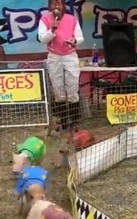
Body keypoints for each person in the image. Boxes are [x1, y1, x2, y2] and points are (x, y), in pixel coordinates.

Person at [37, 0, 84, 131]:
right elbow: (42, 39)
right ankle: (63, 121)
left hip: (70, 56)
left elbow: (80, 37)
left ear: (63, 6)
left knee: (72, 87)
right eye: (53, 3)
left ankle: (75, 121)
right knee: (58, 89)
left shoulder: (72, 19)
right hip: (54, 57)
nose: (56, 6)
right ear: (49, 6)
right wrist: (52, 29)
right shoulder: (45, 19)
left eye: (59, 3)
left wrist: (74, 41)